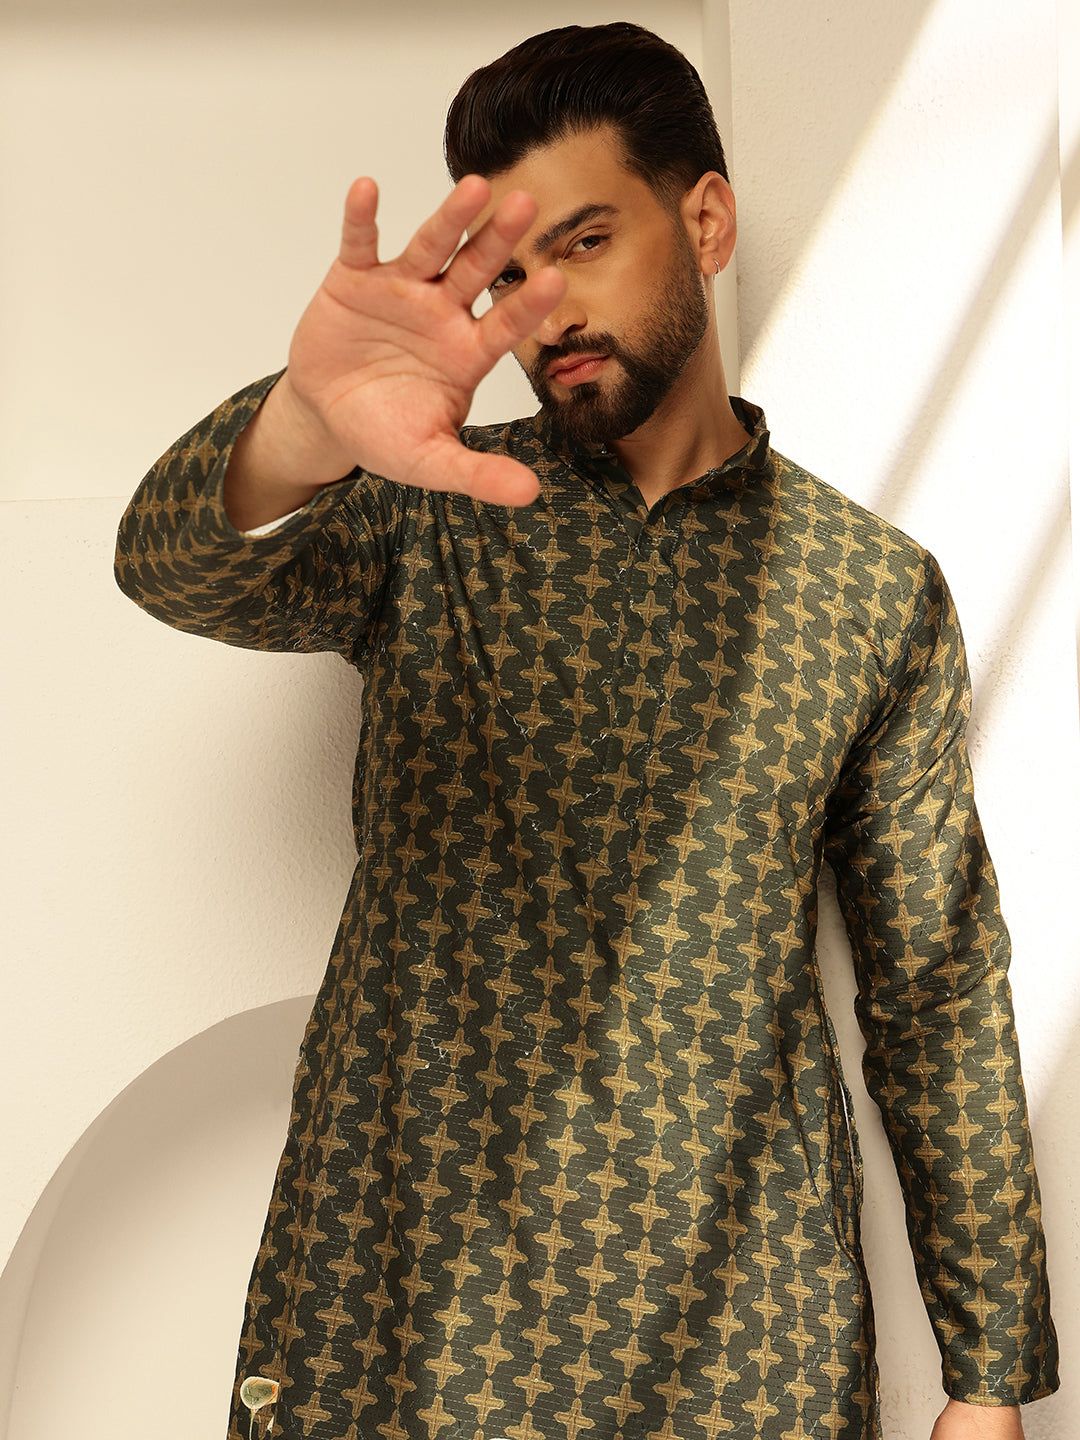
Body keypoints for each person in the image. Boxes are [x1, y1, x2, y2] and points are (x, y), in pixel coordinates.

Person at [112, 21, 1060, 1440]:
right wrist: (308, 423)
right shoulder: (433, 506)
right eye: (509, 275)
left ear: (707, 220)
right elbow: (173, 571)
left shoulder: (871, 592)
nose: (544, 308)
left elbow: (936, 988)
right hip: (406, 1314)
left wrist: (987, 1378)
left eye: (586, 243)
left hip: (744, 1339)